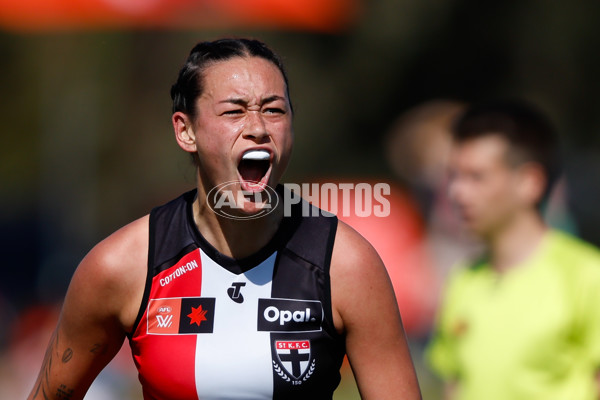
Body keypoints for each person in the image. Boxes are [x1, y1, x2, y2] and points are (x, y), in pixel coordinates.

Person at [28, 38, 422, 400]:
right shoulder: (121, 267)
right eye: (234, 111)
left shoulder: (346, 265)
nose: (257, 128)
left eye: (274, 110)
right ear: (186, 131)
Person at [426, 99, 600, 400]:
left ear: (529, 182)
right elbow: (454, 386)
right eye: (453, 176)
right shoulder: (463, 280)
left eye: (476, 177)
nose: (457, 192)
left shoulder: (587, 275)